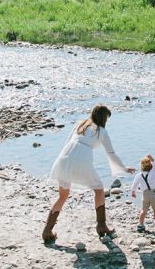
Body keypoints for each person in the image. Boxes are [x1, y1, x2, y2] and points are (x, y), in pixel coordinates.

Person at [43, 104, 134, 243]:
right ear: (103, 118)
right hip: (82, 160)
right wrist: (124, 168)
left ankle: (47, 231)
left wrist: (61, 160)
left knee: (62, 196)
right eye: (107, 118)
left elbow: (67, 141)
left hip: (64, 157)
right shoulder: (102, 131)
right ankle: (101, 226)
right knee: (99, 189)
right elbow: (111, 153)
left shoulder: (80, 124)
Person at [129, 154, 155, 232]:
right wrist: (151, 157)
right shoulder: (153, 172)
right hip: (154, 193)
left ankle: (140, 224)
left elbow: (134, 184)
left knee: (144, 210)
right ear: (150, 165)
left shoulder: (139, 175)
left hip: (145, 194)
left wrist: (133, 192)